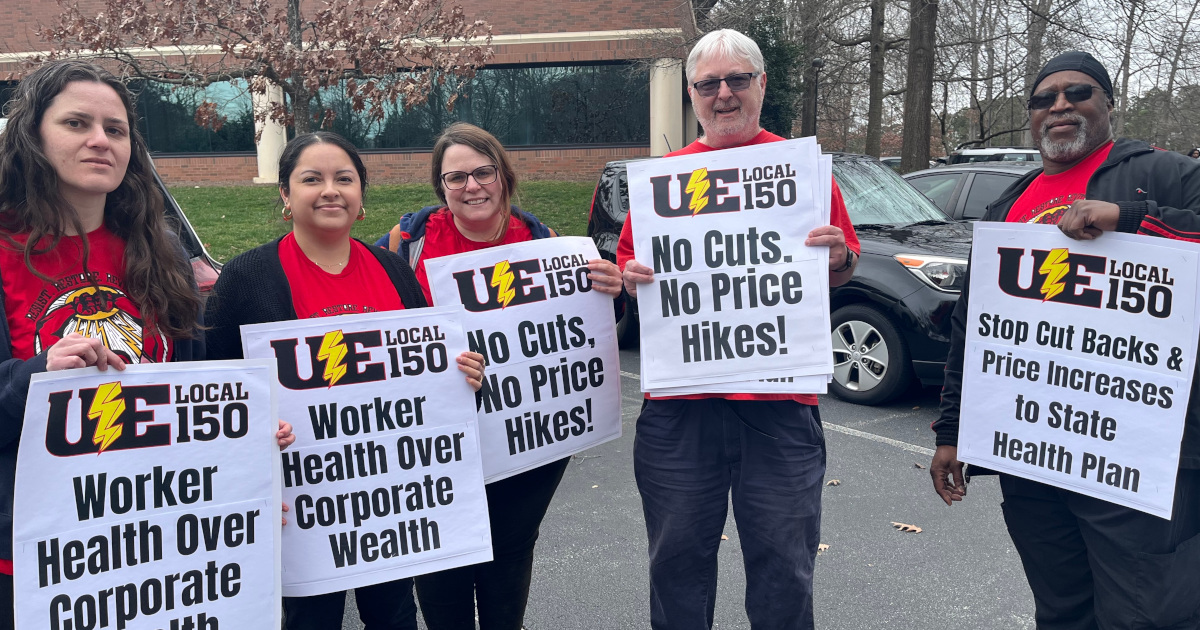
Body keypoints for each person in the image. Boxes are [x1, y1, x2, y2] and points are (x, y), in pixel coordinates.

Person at [0, 60, 296, 629]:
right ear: (33, 135)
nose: (99, 141)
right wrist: (36, 374)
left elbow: (190, 390)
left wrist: (245, 447)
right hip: (36, 563)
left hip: (157, 554)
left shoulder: (158, 250)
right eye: (76, 124)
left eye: (115, 129)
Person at [930, 51, 1200, 629]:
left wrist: (1129, 218)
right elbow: (972, 325)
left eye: (1077, 93)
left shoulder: (1165, 173)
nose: (1058, 106)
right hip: (1036, 458)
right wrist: (953, 431)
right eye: (1043, 99)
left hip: (1137, 460)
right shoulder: (1011, 204)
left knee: (1145, 616)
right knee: (1061, 610)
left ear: (1107, 102)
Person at [618, 29, 860, 630]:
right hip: (680, 411)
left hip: (779, 407)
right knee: (675, 568)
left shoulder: (802, 171)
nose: (723, 94)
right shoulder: (661, 185)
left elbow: (842, 263)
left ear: (762, 85)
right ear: (693, 96)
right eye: (708, 84)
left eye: (737, 80)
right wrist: (628, 278)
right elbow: (629, 274)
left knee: (784, 571)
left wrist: (839, 259)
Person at [203, 131, 485, 630]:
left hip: (389, 501)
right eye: (312, 179)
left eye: (344, 179)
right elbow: (217, 392)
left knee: (395, 614)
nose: (330, 190)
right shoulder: (247, 277)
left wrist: (462, 377)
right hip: (299, 500)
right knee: (309, 618)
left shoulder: (393, 270)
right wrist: (255, 441)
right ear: (286, 196)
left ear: (361, 196)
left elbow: (430, 374)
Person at [385, 122, 621, 630]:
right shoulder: (408, 244)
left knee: (509, 556)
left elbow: (580, 332)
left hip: (526, 439)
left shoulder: (546, 243)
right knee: (443, 561)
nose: (471, 186)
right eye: (455, 178)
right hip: (441, 439)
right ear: (440, 187)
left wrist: (609, 285)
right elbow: (385, 333)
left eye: (482, 172)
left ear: (503, 175)